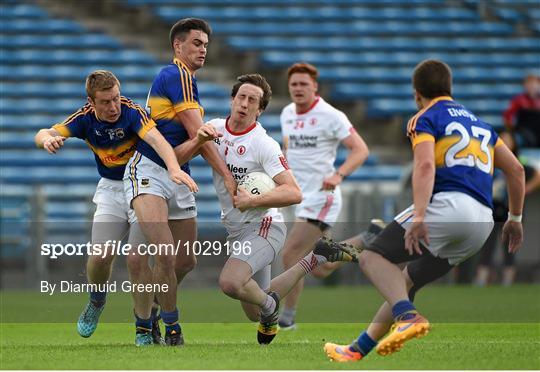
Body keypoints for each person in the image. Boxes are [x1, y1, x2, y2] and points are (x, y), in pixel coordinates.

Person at [322, 59, 525, 362]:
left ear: (417, 93)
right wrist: (516, 218)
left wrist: (419, 216)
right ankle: (357, 350)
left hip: (448, 206)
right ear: (449, 88)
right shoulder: (482, 126)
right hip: (483, 221)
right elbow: (517, 171)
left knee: (372, 257)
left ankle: (408, 317)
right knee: (404, 282)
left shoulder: (425, 118)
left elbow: (426, 164)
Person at [34, 70, 197, 341]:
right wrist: (47, 140)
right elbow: (44, 132)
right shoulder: (83, 119)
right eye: (106, 102)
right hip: (111, 190)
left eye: (116, 98)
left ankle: (142, 328)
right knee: (100, 257)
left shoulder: (132, 112)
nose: (113, 107)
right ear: (91, 102)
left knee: (136, 259)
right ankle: (97, 300)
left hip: (144, 188)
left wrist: (172, 168)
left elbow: (158, 141)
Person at [206, 73, 356, 345]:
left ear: (260, 110)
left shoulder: (263, 144)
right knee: (255, 309)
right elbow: (195, 144)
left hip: (265, 226)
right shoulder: (214, 129)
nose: (245, 103)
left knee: (230, 282)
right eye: (241, 97)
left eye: (253, 100)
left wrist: (251, 201)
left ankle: (272, 307)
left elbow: (293, 192)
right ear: (232, 99)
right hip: (236, 231)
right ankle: (315, 258)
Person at [123, 18, 236, 347]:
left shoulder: (187, 81)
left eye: (205, 44)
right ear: (178, 46)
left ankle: (155, 306)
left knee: (185, 261)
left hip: (177, 172)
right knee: (166, 255)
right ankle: (168, 326)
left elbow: (195, 141)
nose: (203, 49)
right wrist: (229, 178)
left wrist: (224, 173)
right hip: (149, 171)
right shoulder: (176, 75)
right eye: (197, 43)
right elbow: (197, 135)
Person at [278, 62, 369, 330]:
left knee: (290, 255)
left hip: (322, 197)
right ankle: (365, 239)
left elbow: (360, 150)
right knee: (318, 267)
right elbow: (288, 150)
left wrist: (338, 175)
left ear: (315, 87)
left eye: (303, 84)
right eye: (294, 84)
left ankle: (287, 319)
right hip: (298, 197)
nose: (298, 88)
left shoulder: (331, 115)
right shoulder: (286, 113)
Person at [474, 132, 540, 286]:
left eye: (508, 140)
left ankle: (507, 279)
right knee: (487, 245)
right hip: (492, 208)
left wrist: (525, 189)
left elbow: (536, 174)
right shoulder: (490, 160)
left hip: (511, 210)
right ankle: (481, 279)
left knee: (509, 247)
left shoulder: (519, 161)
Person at [502, 74, 540, 148]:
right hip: (524, 133)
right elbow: (508, 117)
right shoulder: (518, 100)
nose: (532, 86)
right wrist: (511, 129)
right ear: (525, 86)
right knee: (508, 138)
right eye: (529, 84)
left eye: (534, 84)